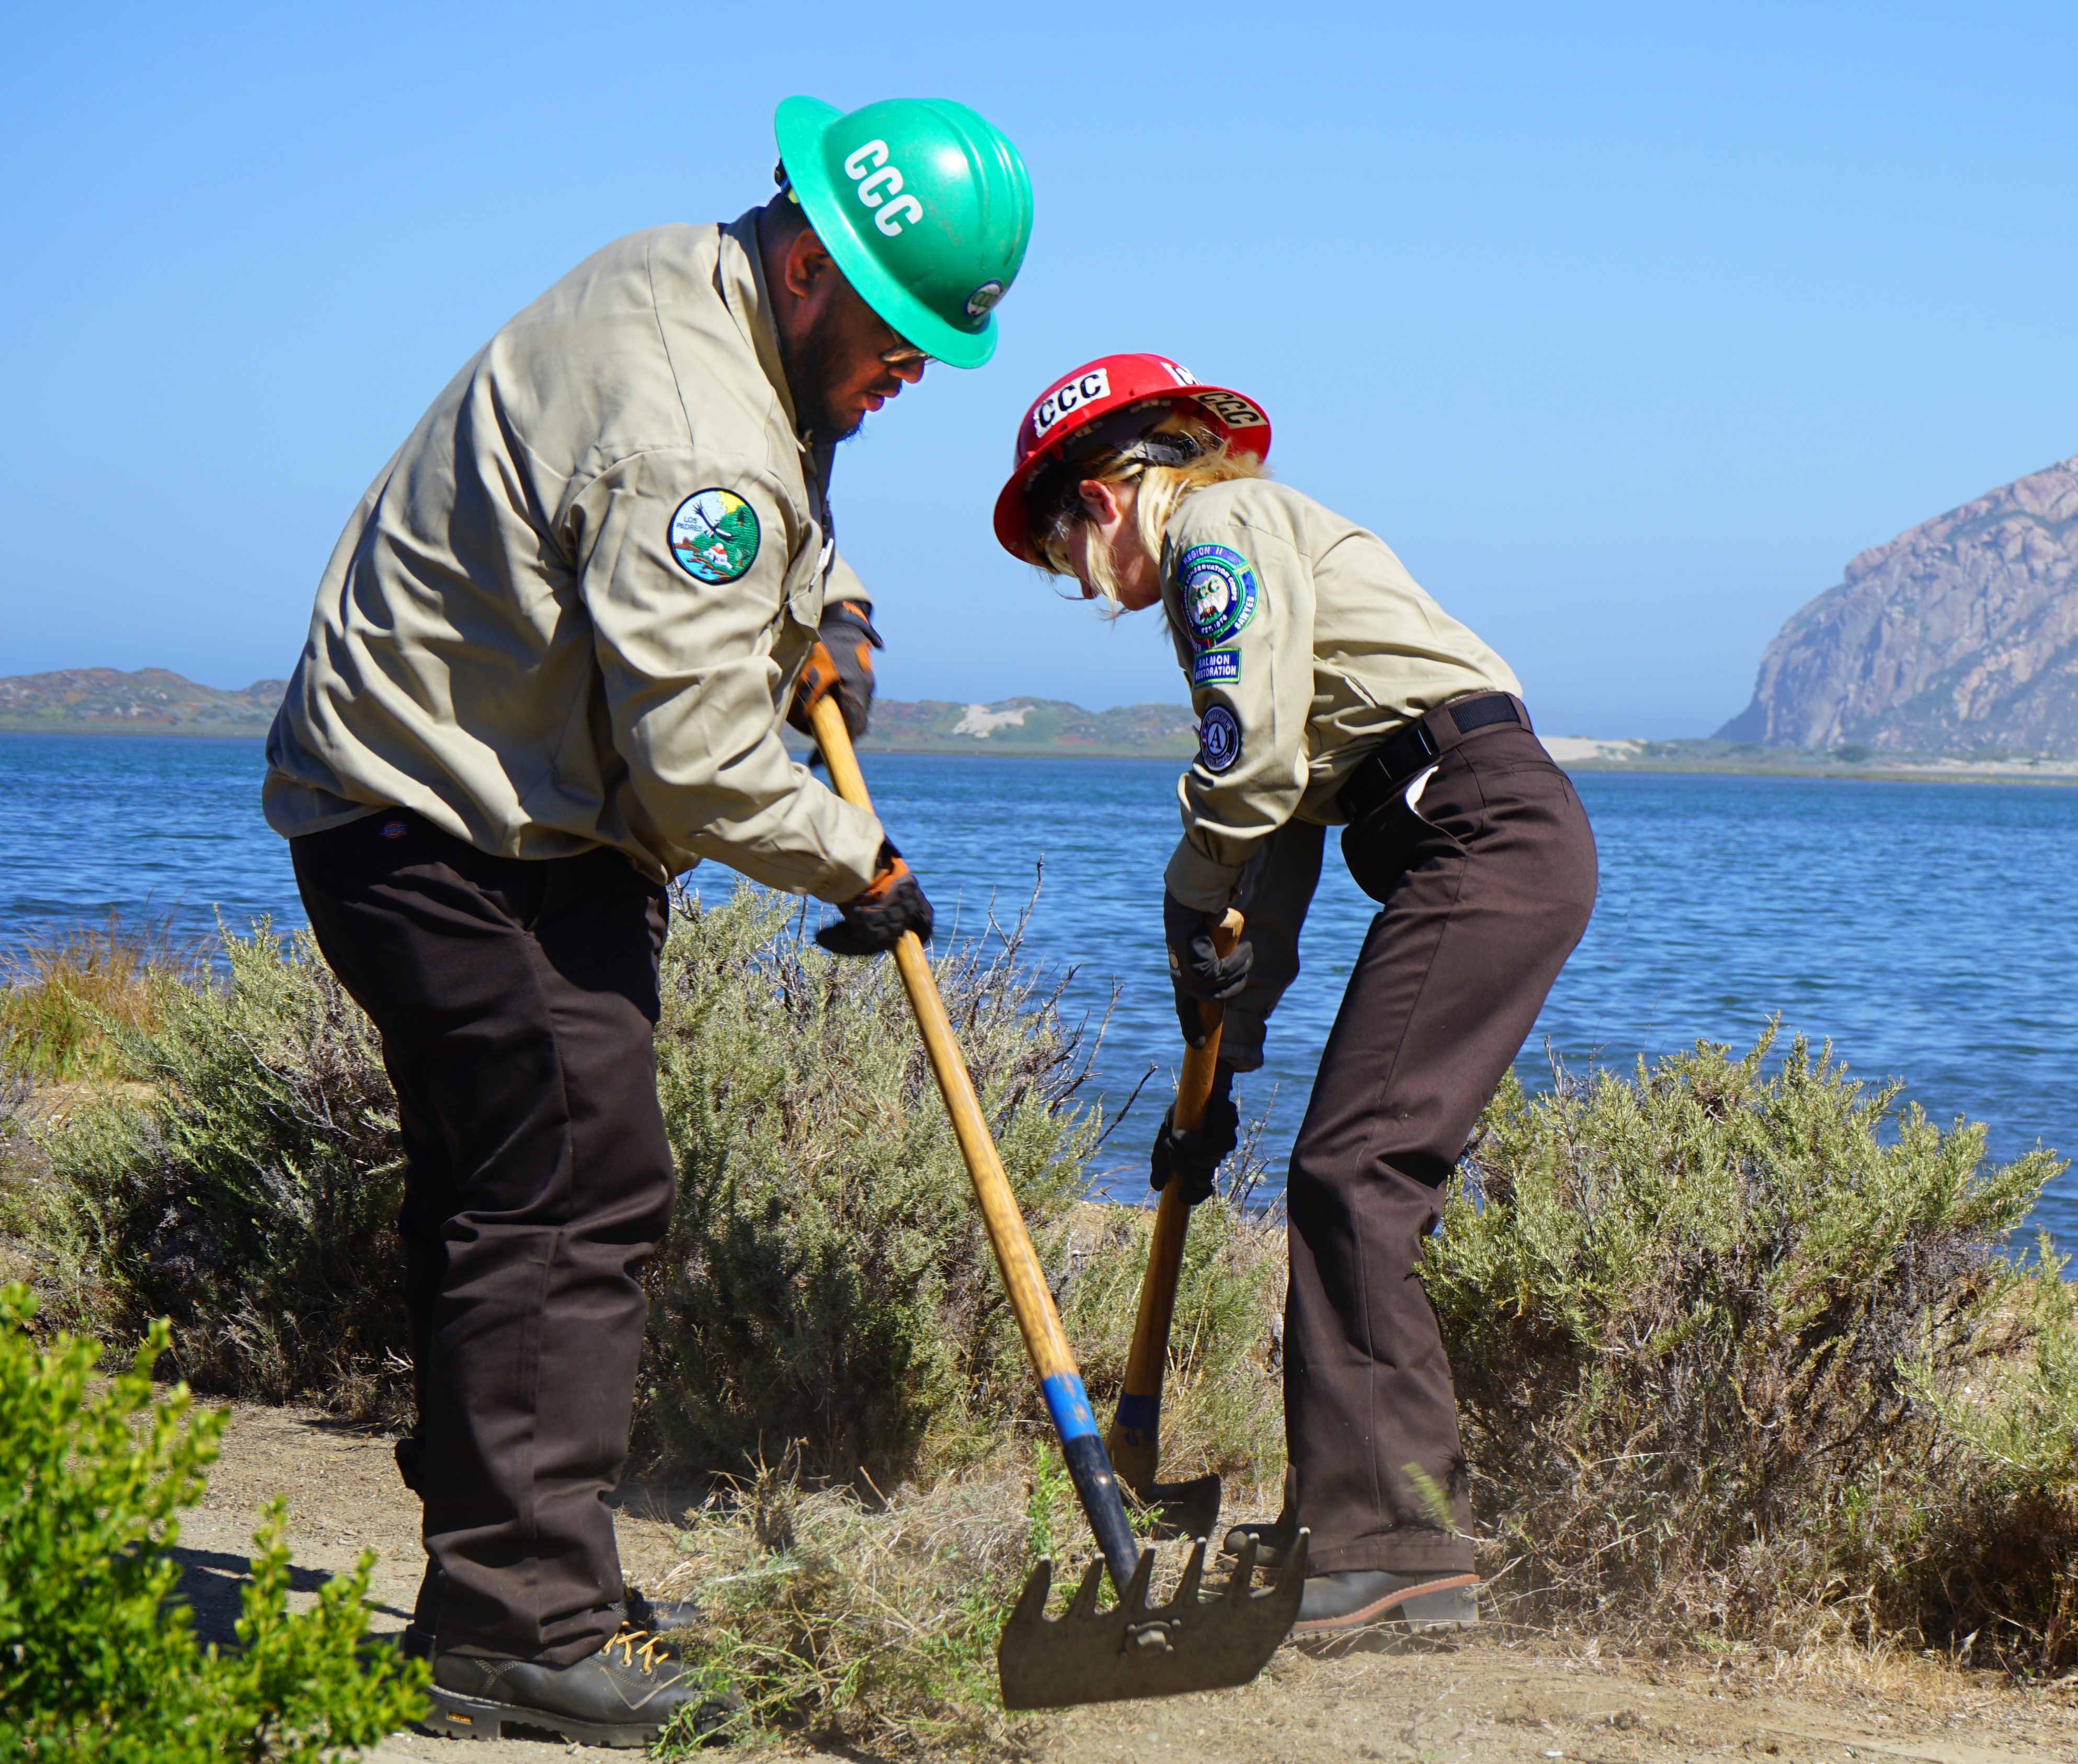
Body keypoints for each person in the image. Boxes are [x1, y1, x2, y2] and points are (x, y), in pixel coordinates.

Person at [261, 96, 1031, 1745]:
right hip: (451, 819)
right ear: (814, 261)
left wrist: (837, 611)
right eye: (897, 334)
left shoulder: (715, 290)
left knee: (504, 1183)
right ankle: (516, 1624)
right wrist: (857, 863)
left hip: (489, 797)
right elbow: (694, 767)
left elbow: (780, 515)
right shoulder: (694, 425)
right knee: (571, 1181)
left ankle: (513, 1569)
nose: (910, 371)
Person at [989, 355, 1599, 1635]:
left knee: (1351, 1172)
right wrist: (1220, 1049)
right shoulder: (1247, 547)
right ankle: (1392, 1530)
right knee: (1355, 1167)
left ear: (1099, 498)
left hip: (1475, 828)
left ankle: (1389, 1547)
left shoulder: (1218, 528)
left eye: (1057, 540)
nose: (1071, 576)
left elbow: (1248, 772)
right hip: (1468, 829)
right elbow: (1281, 836)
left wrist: (1179, 891)